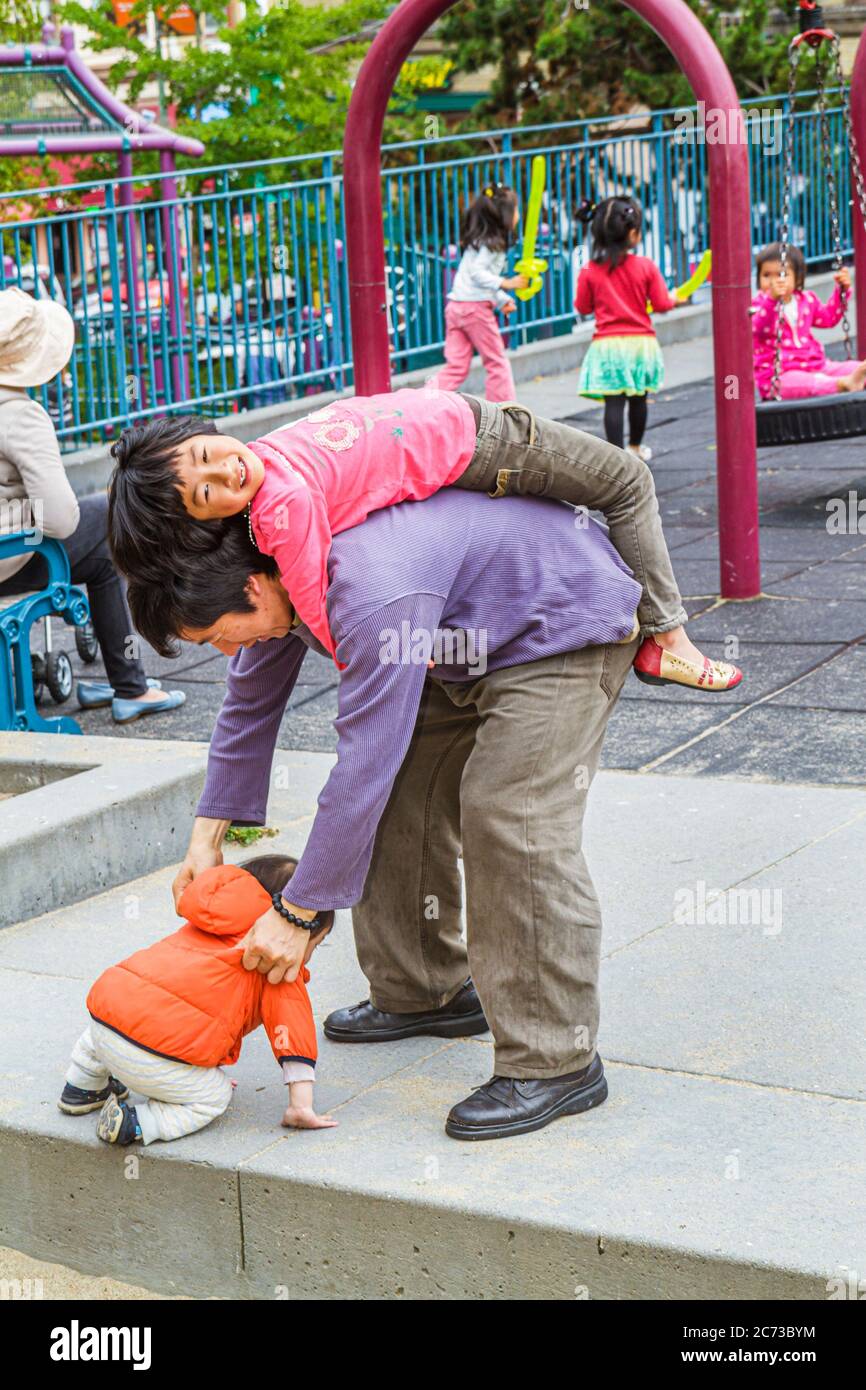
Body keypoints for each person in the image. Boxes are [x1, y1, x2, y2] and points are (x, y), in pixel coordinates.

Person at [119, 401, 726, 1142]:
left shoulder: (365, 586)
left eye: (217, 636)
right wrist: (205, 841)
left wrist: (299, 911)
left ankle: (555, 1060)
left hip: (555, 624)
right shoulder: (266, 563)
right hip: (460, 644)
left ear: (249, 591)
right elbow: (249, 712)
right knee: (405, 791)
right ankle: (424, 992)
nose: (225, 652)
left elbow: (361, 761)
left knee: (509, 813)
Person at [107, 390, 742, 696]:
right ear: (206, 522)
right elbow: (314, 598)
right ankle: (669, 638)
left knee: (598, 494)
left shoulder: (268, 464)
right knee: (628, 479)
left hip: (469, 431)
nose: (225, 471)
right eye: (206, 494)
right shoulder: (283, 504)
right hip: (483, 441)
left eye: (204, 455)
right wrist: (359, 659)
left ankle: (653, 623)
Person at [58, 855, 335, 1145]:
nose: (309, 956)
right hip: (152, 1058)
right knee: (214, 1096)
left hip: (104, 1023)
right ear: (298, 929)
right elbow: (292, 1030)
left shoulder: (209, 920)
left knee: (120, 1020)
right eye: (315, 945)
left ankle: (82, 1086)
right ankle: (137, 1123)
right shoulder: (276, 962)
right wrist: (300, 1106)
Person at [0, 286, 184, 723]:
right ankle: (130, 686)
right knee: (102, 516)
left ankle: (128, 683)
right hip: (7, 556)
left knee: (100, 557)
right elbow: (62, 521)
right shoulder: (19, 415)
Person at [575, 195, 688, 462]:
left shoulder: (589, 269)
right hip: (641, 344)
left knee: (613, 403)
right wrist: (673, 299)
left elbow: (582, 307)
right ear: (633, 233)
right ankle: (636, 448)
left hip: (608, 345)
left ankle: (616, 459)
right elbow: (660, 304)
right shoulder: (645, 266)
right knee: (638, 399)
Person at [427, 183, 529, 402]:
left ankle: (426, 400)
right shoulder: (493, 247)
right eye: (517, 210)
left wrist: (501, 300)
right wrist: (506, 284)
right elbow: (477, 274)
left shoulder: (478, 244)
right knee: (497, 362)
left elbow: (477, 283)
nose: (519, 215)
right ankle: (503, 411)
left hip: (456, 308)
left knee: (456, 366)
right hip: (475, 311)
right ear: (505, 215)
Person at [751, 243, 866, 400]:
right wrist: (772, 301)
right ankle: (842, 384)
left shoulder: (806, 299)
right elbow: (759, 327)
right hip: (779, 375)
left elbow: (828, 319)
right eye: (766, 275)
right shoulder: (759, 304)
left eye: (781, 275)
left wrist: (842, 291)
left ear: (797, 278)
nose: (773, 281)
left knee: (853, 368)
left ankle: (851, 379)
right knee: (808, 383)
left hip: (816, 365)